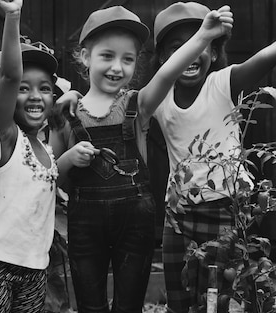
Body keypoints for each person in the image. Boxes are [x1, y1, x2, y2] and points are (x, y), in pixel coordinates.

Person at [49, 5, 233, 313]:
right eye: (107, 56)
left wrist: (204, 35)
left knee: (129, 305)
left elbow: (169, 71)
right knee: (90, 306)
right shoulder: (68, 112)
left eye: (128, 59)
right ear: (84, 57)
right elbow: (49, 173)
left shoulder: (139, 105)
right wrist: (69, 157)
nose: (117, 67)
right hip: (85, 226)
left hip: (134, 224)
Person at [150, 2, 276, 312]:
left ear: (214, 48)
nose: (191, 54)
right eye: (176, 47)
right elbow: (115, 100)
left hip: (227, 210)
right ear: (163, 58)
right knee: (178, 298)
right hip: (178, 215)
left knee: (225, 297)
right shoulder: (157, 97)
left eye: (200, 43)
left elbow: (265, 57)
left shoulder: (222, 84)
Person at [0, 0, 65, 311]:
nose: (36, 96)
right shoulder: (5, 138)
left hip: (36, 268)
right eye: (25, 89)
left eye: (45, 88)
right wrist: (13, 16)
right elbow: (10, 76)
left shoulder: (46, 148)